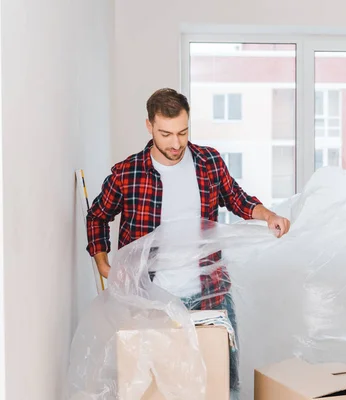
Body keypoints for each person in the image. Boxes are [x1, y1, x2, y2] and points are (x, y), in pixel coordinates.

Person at [86, 88, 291, 397]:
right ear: (149, 126)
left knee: (221, 381)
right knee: (155, 385)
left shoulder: (208, 162)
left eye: (182, 132)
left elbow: (237, 199)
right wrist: (102, 261)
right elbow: (97, 215)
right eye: (166, 134)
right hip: (150, 300)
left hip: (209, 295)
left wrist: (267, 215)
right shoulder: (128, 173)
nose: (175, 143)